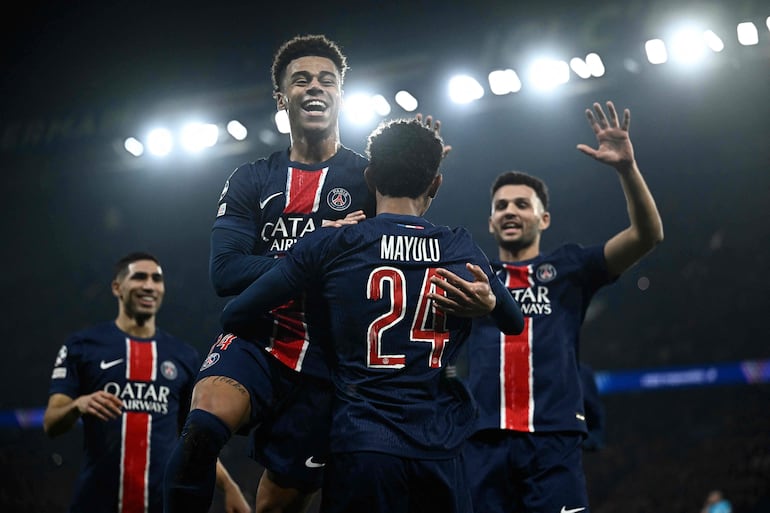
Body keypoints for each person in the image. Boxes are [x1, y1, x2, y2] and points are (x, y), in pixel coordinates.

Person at [164, 35, 455, 513]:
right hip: (258, 338)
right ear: (282, 98)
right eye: (301, 80)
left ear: (341, 93)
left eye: (327, 80)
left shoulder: (370, 178)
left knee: (276, 504)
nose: (314, 87)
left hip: (328, 361)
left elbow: (400, 246)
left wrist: (420, 183)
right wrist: (313, 250)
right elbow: (225, 272)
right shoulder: (251, 179)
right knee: (202, 430)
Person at [220, 118, 525, 513]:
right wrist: (489, 306)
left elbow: (236, 312)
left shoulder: (334, 242)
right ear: (435, 185)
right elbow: (514, 322)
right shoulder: (459, 247)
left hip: (362, 443)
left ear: (369, 177)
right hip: (440, 448)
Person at [462, 101, 664, 513]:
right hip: (482, 441)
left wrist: (627, 169)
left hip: (552, 442)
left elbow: (647, 235)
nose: (510, 211)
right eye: (501, 206)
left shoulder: (571, 267)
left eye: (522, 204)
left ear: (544, 218)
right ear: (490, 222)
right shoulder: (472, 272)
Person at [43, 251, 250, 513]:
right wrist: (78, 405)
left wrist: (229, 486)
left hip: (160, 504)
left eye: (157, 279)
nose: (149, 285)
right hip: (96, 501)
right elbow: (52, 422)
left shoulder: (183, 355)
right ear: (117, 287)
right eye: (139, 277)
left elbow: (191, 438)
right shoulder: (82, 346)